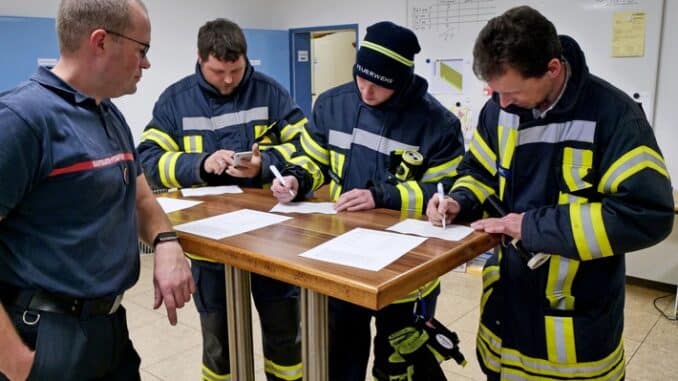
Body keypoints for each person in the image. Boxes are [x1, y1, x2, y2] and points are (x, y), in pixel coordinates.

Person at [426, 6, 674, 380]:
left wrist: (532, 227)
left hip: (573, 327)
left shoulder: (615, 116)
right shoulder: (499, 109)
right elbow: (477, 172)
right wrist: (457, 200)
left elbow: (646, 214)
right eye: (495, 91)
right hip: (506, 310)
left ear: (553, 69)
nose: (502, 103)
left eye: (512, 91)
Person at [0, 0, 195, 380]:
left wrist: (166, 241)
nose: (146, 64)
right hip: (44, 333)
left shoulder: (107, 113)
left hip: (109, 329)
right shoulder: (22, 119)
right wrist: (15, 361)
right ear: (100, 42)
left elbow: (139, 197)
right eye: (142, 50)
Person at [271, 21, 465, 381]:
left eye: (379, 84)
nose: (366, 90)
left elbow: (448, 192)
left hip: (407, 273)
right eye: (361, 78)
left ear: (403, 80)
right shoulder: (333, 104)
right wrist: (296, 181)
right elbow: (313, 160)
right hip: (344, 262)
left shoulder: (438, 124)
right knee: (342, 358)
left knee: (399, 362)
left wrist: (381, 196)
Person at [136, 18, 305, 381]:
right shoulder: (175, 100)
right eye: (218, 71)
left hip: (272, 241)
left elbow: (305, 148)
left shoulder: (269, 92)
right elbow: (148, 160)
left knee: (284, 334)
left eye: (236, 69)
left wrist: (264, 165)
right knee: (219, 341)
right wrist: (199, 164)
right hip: (210, 245)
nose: (228, 79)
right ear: (199, 59)